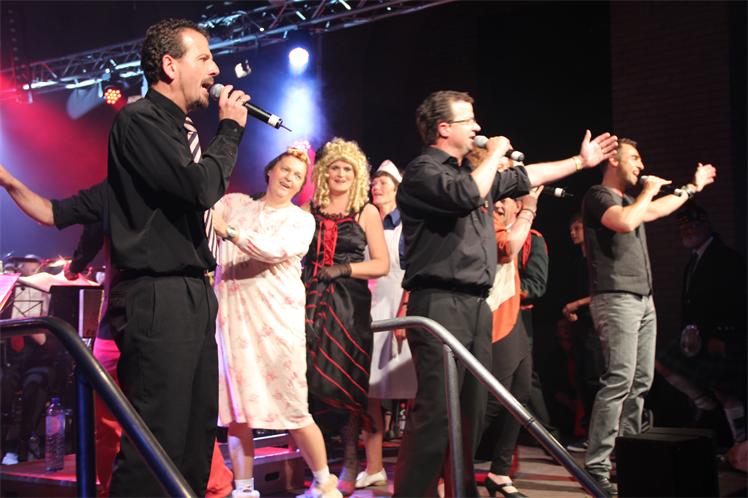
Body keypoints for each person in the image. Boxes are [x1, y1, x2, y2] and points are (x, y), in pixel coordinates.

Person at [394, 89, 618, 497]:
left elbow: (526, 177)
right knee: (437, 412)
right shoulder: (423, 171)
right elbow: (465, 195)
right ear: (443, 128)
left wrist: (579, 162)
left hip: (475, 305)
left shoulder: (470, 175)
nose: (478, 127)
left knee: (470, 413)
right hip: (440, 303)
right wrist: (495, 152)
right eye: (468, 120)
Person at [0, 171, 233, 498]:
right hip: (121, 326)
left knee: (178, 418)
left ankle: (208, 489)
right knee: (113, 419)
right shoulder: (116, 191)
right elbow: (58, 215)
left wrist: (75, 266)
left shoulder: (185, 191)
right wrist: (9, 181)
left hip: (170, 326)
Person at [103, 18, 248, 496]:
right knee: (156, 442)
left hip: (193, 290)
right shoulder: (139, 120)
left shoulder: (180, 131)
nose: (215, 68)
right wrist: (230, 131)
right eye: (203, 58)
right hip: (157, 293)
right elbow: (199, 188)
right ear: (169, 65)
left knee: (194, 441)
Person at [581, 138, 716, 495]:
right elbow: (625, 223)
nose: (641, 165)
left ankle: (632, 459)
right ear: (613, 161)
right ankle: (596, 467)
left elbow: (655, 211)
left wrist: (692, 187)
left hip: (643, 300)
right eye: (635, 158)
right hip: (616, 298)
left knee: (640, 382)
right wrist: (648, 191)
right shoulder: (598, 196)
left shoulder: (632, 201)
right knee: (619, 381)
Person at [211, 146, 343, 498]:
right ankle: (243, 489)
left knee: (293, 407)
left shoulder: (301, 220)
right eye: (285, 169)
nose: (289, 178)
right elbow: (203, 209)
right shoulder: (235, 204)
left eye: (298, 176)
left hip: (277, 323)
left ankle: (323, 482)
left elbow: (273, 249)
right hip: (235, 320)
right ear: (270, 170)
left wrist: (231, 232)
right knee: (237, 411)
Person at [302, 138, 389, 494]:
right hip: (308, 302)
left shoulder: (366, 211)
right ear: (324, 172)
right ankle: (318, 466)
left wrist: (344, 269)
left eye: (348, 169)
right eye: (335, 167)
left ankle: (351, 460)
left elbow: (381, 264)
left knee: (345, 384)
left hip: (349, 306)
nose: (340, 174)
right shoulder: (308, 208)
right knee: (308, 383)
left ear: (357, 176)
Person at [655, 202, 746, 447]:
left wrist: (723, 337)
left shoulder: (725, 257)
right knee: (662, 363)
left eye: (694, 225)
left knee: (726, 392)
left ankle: (741, 444)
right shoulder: (695, 259)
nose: (688, 231)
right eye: (683, 228)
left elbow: (737, 299)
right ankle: (706, 406)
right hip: (696, 338)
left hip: (721, 337)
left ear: (707, 225)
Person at [356, 160, 417, 490]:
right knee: (371, 393)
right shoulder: (366, 222)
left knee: (414, 392)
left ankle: (417, 470)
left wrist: (405, 310)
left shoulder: (408, 224)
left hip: (399, 308)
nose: (376, 187)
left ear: (397, 188)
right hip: (369, 309)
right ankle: (374, 465)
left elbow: (414, 272)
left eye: (383, 182)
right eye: (374, 182)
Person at [479, 186, 542, 498]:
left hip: (513, 314)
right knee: (493, 399)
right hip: (492, 315)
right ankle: (446, 463)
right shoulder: (484, 221)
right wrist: (529, 208)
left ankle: (499, 471)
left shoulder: (520, 230)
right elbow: (506, 248)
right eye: (500, 199)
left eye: (509, 200)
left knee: (520, 391)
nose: (502, 205)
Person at [561, 213, 603, 453]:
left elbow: (601, 291)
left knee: (594, 377)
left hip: (596, 326)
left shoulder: (597, 258)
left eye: (577, 228)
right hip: (582, 325)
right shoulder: (579, 261)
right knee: (583, 378)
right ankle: (588, 432)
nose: (572, 232)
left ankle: (597, 434)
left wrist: (576, 305)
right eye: (571, 228)